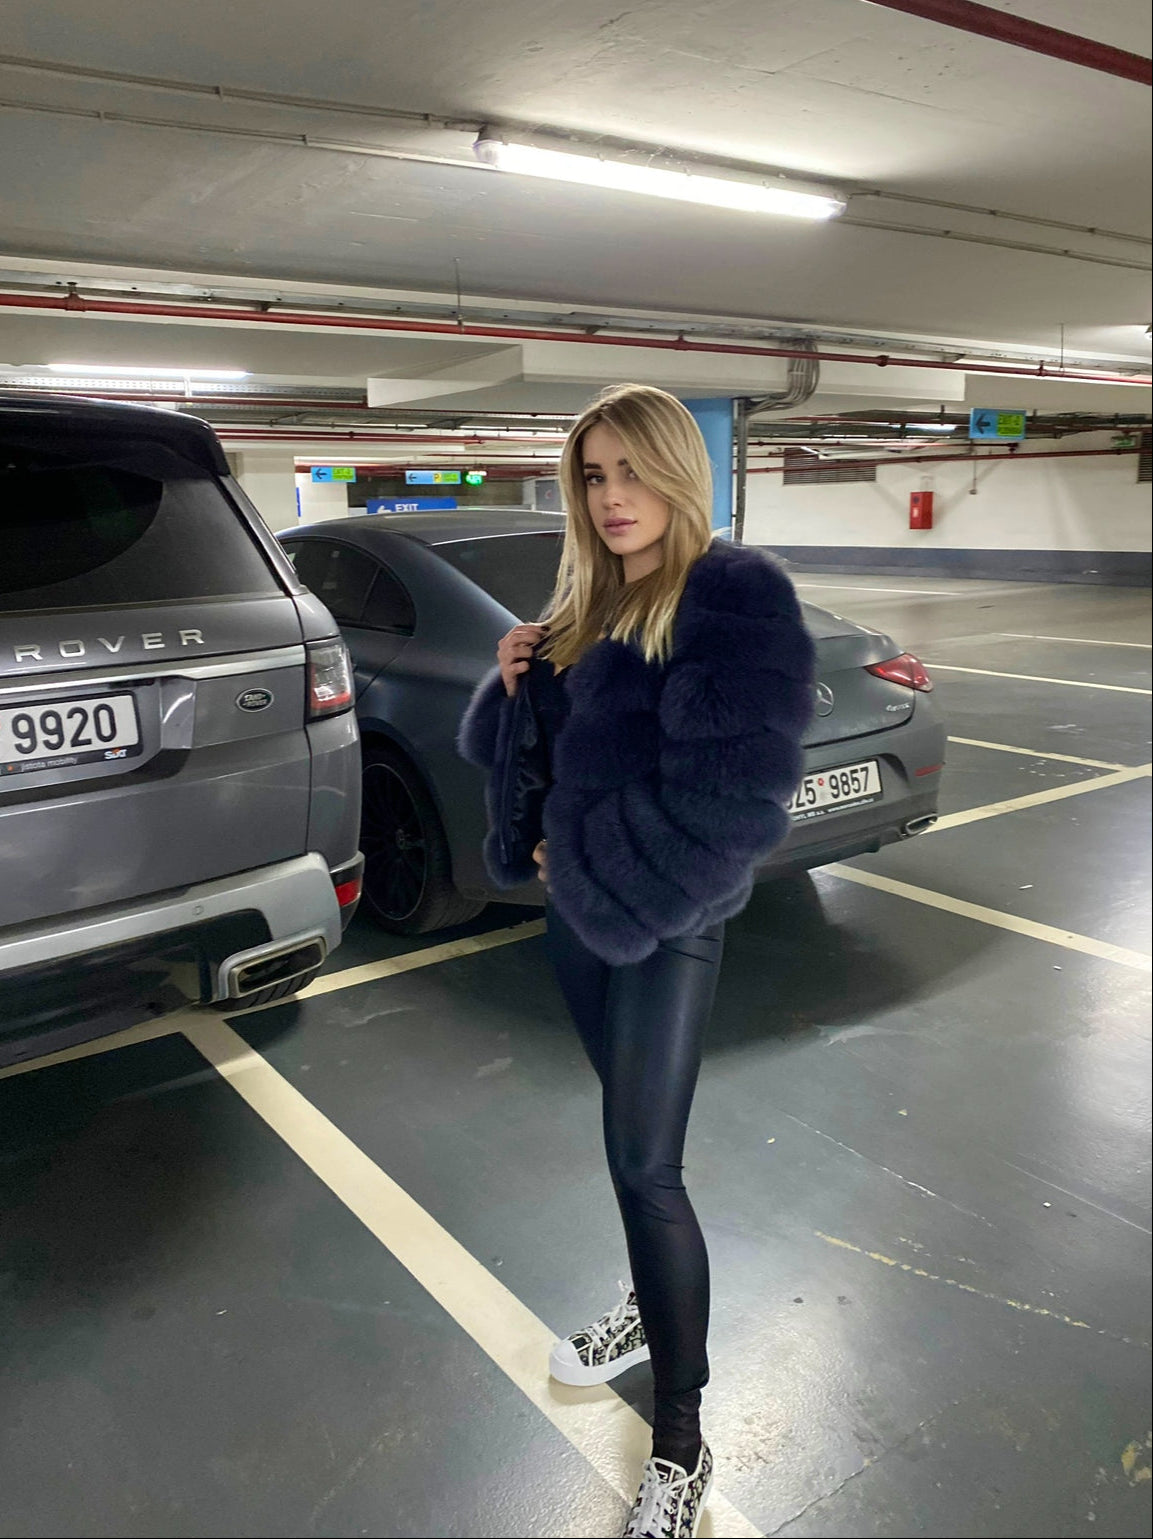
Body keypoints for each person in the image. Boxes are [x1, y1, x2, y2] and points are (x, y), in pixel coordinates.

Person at [458, 383, 815, 1539]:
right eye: (593, 476)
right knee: (625, 1144)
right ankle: (641, 1307)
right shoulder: (583, 604)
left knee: (648, 1167)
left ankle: (681, 1441)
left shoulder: (730, 597)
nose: (613, 497)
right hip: (582, 920)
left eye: (630, 470)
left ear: (676, 467)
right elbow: (522, 759)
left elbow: (738, 804)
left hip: (666, 918)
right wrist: (508, 682)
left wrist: (613, 877)